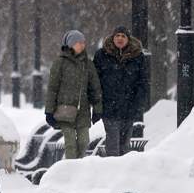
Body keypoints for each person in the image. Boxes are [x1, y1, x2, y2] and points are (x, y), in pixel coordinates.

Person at [44, 30, 103, 159]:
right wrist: (49, 111)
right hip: (65, 111)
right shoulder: (60, 63)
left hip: (83, 112)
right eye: (78, 42)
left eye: (83, 42)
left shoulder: (88, 64)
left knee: (84, 142)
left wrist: (97, 109)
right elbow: (52, 88)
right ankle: (70, 168)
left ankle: (79, 169)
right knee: (70, 144)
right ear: (71, 44)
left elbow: (95, 88)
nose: (82, 45)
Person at [93, 25, 149, 156]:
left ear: (128, 39)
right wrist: (97, 104)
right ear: (112, 38)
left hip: (129, 108)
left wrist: (138, 103)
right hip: (109, 108)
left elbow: (143, 82)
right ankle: (112, 168)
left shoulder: (138, 57)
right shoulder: (101, 55)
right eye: (117, 35)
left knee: (124, 146)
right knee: (113, 145)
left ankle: (121, 169)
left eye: (123, 36)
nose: (120, 38)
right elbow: (94, 82)